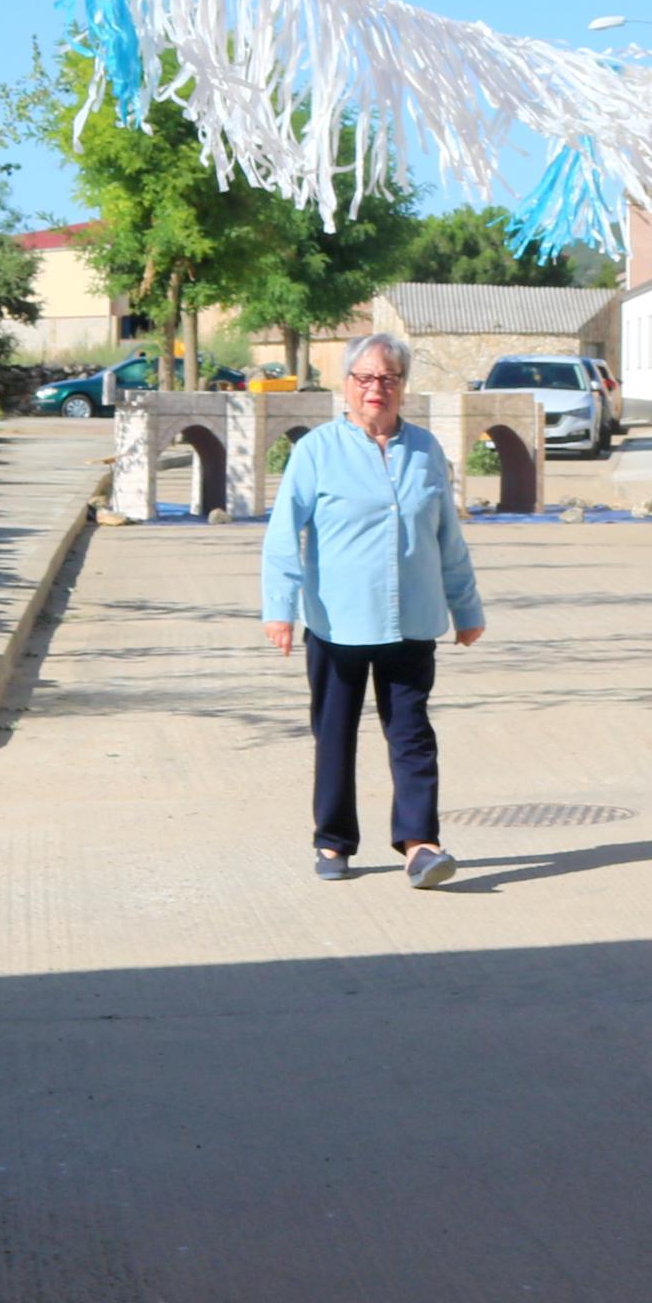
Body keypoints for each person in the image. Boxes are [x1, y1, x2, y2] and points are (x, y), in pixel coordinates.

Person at [260, 331, 486, 888]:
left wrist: (467, 606)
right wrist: (279, 609)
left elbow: (446, 537)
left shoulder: (426, 450)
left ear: (403, 386)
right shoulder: (317, 450)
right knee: (335, 733)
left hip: (412, 620)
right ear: (346, 385)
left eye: (388, 378)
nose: (376, 389)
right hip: (338, 622)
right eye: (365, 378)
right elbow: (284, 534)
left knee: (411, 733)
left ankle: (420, 845)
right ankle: (333, 842)